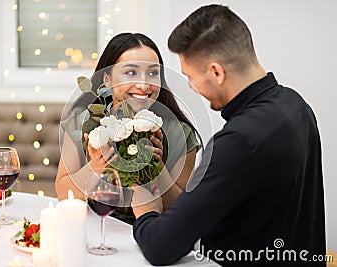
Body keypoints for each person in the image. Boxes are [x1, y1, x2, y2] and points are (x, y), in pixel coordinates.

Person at [131, 5, 326, 266]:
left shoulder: (239, 142)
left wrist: (145, 211)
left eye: (190, 76)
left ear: (216, 72)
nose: (191, 86)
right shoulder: (297, 106)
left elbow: (161, 247)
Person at [55, 32, 201, 224]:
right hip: (96, 230)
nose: (143, 85)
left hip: (152, 235)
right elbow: (62, 193)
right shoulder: (81, 121)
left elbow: (179, 211)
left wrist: (157, 167)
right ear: (107, 79)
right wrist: (95, 167)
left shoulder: (181, 134)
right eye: (131, 72)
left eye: (152, 73)